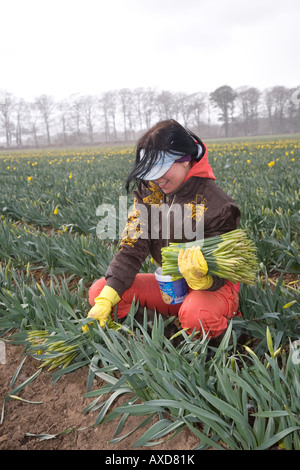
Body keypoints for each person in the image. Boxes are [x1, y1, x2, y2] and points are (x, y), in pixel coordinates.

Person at [83, 119, 241, 339]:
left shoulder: (218, 205)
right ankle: (169, 335)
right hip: (172, 284)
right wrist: (108, 296)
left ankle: (226, 338)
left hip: (213, 287)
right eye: (151, 171)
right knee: (101, 291)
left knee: (197, 315)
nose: (157, 179)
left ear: (185, 159)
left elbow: (224, 270)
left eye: (162, 169)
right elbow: (133, 245)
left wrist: (203, 280)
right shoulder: (150, 191)